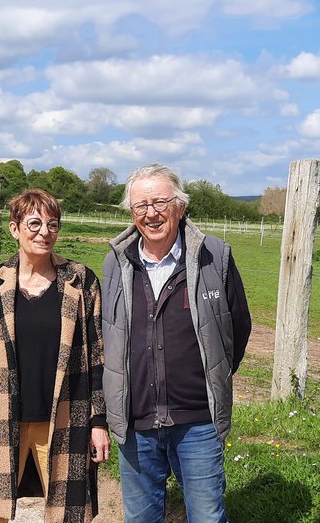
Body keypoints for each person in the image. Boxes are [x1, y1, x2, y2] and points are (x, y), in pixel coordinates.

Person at [101, 164, 252, 522]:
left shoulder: (215, 257)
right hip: (135, 421)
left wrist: (211, 377)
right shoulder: (115, 262)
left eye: (160, 202)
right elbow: (107, 332)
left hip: (197, 420)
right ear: (131, 212)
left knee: (206, 517)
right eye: (141, 205)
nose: (151, 213)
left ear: (180, 207)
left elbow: (238, 329)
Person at [0, 188, 110, 523]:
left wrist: (98, 421)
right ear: (14, 228)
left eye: (53, 225)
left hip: (67, 417)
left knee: (67, 515)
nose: (45, 232)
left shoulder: (80, 281)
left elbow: (97, 357)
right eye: (35, 223)